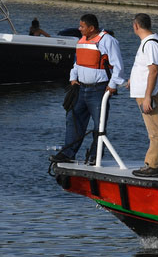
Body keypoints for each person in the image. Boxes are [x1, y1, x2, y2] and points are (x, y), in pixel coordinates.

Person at [50, 14, 124, 164]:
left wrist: (113, 85)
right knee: (73, 120)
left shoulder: (108, 41)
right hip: (80, 89)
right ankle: (68, 154)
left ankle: (94, 157)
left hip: (99, 90)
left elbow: (118, 66)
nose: (79, 29)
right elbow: (77, 64)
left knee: (99, 124)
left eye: (82, 26)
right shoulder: (81, 41)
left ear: (91, 28)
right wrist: (73, 78)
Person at [129, 13, 158, 178]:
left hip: (149, 94)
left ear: (136, 26)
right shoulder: (148, 42)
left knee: (155, 131)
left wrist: (147, 97)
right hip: (147, 92)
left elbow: (153, 70)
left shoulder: (151, 44)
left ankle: (152, 165)